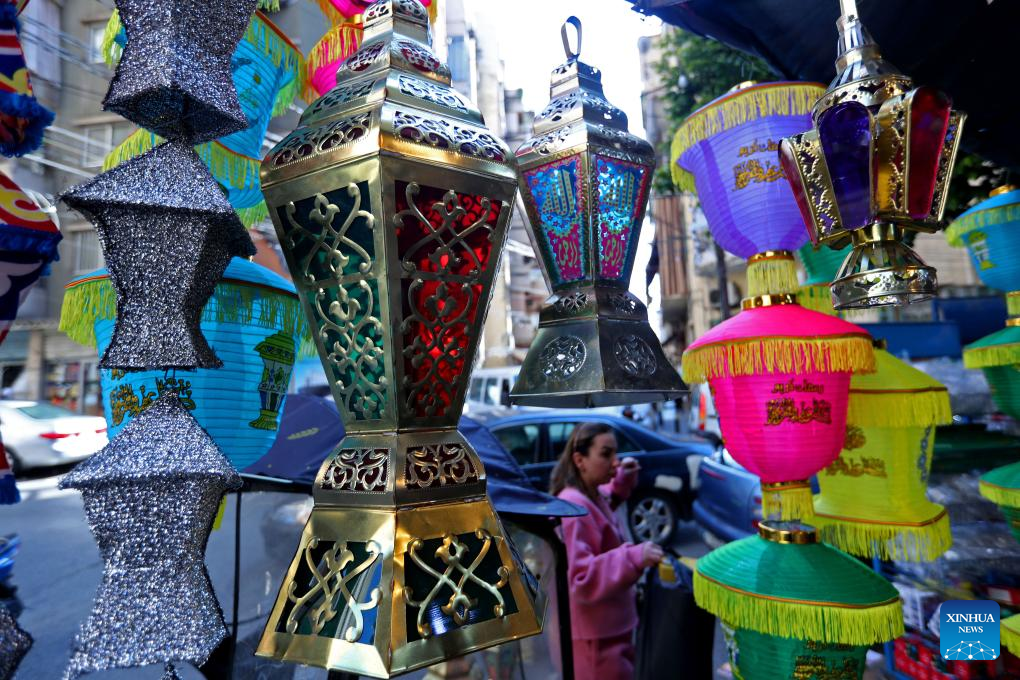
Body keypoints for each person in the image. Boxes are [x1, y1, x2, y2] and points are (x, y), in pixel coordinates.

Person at [551, 422, 664, 680]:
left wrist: (622, 480)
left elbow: (607, 500)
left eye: (615, 453)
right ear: (580, 460)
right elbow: (580, 579)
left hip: (609, 630)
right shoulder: (573, 505)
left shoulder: (589, 493)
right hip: (597, 642)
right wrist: (633, 556)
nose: (615, 462)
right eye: (606, 454)